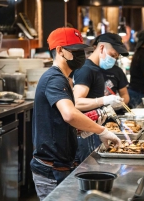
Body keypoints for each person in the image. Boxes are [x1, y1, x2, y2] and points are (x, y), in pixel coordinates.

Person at [30, 27, 121, 201]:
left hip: (61, 166)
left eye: (82, 50)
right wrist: (101, 130)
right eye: (75, 51)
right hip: (51, 169)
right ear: (59, 51)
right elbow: (69, 114)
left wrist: (78, 130)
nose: (81, 55)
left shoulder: (65, 78)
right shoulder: (54, 79)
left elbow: (60, 121)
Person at [72, 33, 129, 163]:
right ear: (101, 48)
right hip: (85, 135)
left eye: (116, 57)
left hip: (92, 130)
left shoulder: (95, 69)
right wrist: (104, 100)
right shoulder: (86, 69)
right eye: (113, 55)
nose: (114, 60)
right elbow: (76, 102)